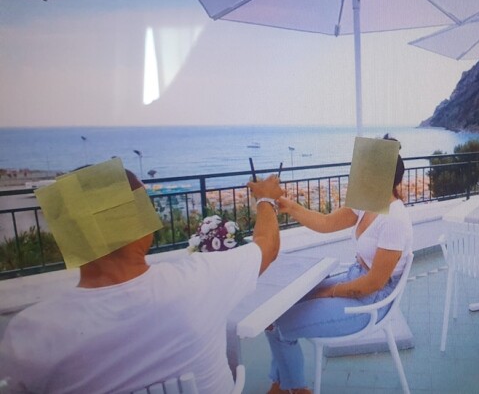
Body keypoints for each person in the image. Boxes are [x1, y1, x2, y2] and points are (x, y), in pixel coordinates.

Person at [0, 165, 283, 394]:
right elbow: (267, 247)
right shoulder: (201, 280)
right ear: (142, 225)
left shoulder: (31, 334)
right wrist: (265, 199)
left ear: (69, 237)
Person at [266, 137, 413, 394]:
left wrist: (330, 291)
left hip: (371, 301)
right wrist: (291, 207)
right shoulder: (369, 202)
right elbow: (325, 223)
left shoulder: (395, 219)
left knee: (278, 325)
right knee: (277, 310)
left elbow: (373, 283)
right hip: (355, 278)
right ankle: (283, 385)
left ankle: (294, 389)